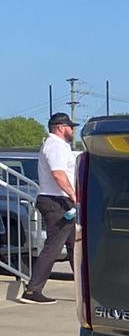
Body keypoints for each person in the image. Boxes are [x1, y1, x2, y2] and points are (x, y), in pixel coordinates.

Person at [20, 112, 79, 305]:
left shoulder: (59, 146)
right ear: (61, 127)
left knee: (75, 246)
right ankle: (33, 290)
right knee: (54, 246)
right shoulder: (56, 145)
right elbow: (58, 174)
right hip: (56, 201)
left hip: (60, 201)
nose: (73, 130)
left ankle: (86, 288)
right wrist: (73, 195)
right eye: (71, 127)